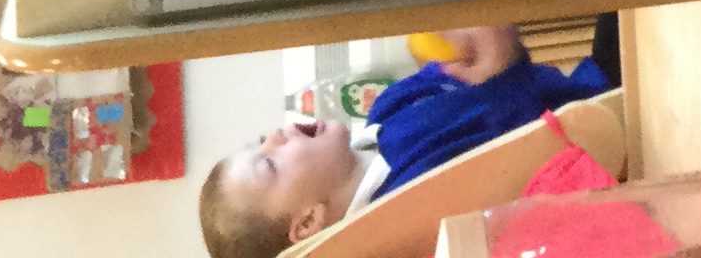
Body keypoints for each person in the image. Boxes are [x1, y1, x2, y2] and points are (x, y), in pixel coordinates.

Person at [197, 29, 607, 258]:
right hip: (613, 126)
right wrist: (504, 65)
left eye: (260, 141)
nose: (274, 137)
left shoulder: (384, 113)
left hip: (591, 83)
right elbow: (521, 144)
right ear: (308, 223)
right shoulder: (411, 206)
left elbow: (458, 73)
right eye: (269, 164)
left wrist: (461, 47)